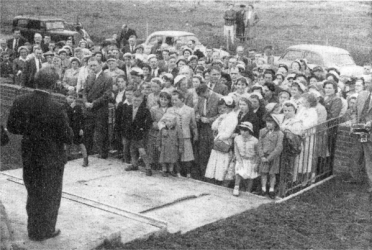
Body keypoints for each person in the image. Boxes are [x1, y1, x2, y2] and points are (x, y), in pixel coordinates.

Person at [7, 67, 73, 241]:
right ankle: (46, 230)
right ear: (53, 84)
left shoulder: (20, 100)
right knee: (50, 195)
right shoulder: (57, 107)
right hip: (51, 157)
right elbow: (67, 136)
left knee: (34, 192)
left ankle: (33, 230)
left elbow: (13, 127)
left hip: (29, 153)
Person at [161, 90, 198, 178]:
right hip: (173, 136)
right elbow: (162, 121)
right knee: (175, 154)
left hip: (186, 135)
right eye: (172, 100)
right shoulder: (170, 110)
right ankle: (177, 172)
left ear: (182, 99)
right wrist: (163, 129)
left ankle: (188, 173)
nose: (174, 102)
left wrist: (196, 134)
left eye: (176, 100)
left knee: (187, 155)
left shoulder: (190, 110)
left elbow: (193, 125)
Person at [83, 57, 113, 159]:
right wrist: (85, 102)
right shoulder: (89, 76)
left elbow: (107, 94)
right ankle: (87, 153)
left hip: (100, 109)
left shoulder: (107, 78)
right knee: (88, 131)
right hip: (89, 109)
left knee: (101, 131)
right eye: (90, 65)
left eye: (94, 65)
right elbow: (84, 91)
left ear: (100, 65)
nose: (92, 67)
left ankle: (104, 153)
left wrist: (94, 103)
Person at [205, 96, 238, 184]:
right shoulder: (224, 116)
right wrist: (219, 119)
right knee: (215, 160)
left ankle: (221, 180)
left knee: (222, 162)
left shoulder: (233, 117)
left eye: (225, 107)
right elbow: (213, 127)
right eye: (222, 107)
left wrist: (218, 138)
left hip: (224, 141)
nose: (223, 109)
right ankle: (214, 179)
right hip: (218, 140)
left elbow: (228, 133)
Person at [121, 91, 153, 175]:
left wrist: (143, 129)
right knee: (132, 149)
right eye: (134, 100)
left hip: (139, 133)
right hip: (129, 132)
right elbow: (124, 120)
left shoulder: (145, 110)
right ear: (132, 99)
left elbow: (149, 122)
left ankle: (148, 167)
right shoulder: (128, 108)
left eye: (138, 100)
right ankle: (134, 164)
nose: (136, 102)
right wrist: (125, 130)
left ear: (142, 100)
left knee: (141, 150)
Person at [347, 85, 372, 193]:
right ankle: (355, 177)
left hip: (369, 130)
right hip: (360, 128)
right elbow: (354, 112)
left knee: (369, 156)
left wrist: (370, 123)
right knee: (356, 153)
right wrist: (354, 123)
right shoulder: (362, 95)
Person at [195, 84, 220, 178]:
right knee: (202, 151)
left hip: (213, 128)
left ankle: (211, 176)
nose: (203, 97)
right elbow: (197, 110)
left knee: (211, 151)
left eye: (204, 95)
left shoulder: (218, 98)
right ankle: (203, 174)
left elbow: (221, 114)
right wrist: (197, 115)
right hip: (202, 128)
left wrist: (209, 120)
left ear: (208, 91)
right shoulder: (201, 98)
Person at [257, 114, 284, 199]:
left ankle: (271, 189)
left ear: (275, 123)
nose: (268, 124)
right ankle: (263, 188)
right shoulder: (262, 131)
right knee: (263, 173)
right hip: (264, 156)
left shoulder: (279, 133)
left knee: (272, 174)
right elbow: (259, 144)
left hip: (273, 157)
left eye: (271, 122)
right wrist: (262, 156)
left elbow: (279, 147)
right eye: (267, 122)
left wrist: (269, 158)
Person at [233, 122, 259, 196]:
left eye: (245, 131)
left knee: (250, 176)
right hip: (241, 159)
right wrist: (239, 160)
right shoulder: (237, 138)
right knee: (239, 172)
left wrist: (256, 163)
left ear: (249, 131)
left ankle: (248, 191)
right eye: (241, 130)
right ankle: (236, 187)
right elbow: (236, 150)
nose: (243, 132)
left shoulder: (255, 141)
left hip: (251, 160)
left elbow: (257, 153)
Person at [147, 91, 172, 171]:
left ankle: (163, 168)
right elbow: (150, 120)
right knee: (152, 150)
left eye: (165, 100)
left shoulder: (171, 110)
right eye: (162, 99)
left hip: (167, 133)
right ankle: (150, 166)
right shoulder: (154, 109)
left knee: (164, 151)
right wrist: (154, 124)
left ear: (169, 101)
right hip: (155, 133)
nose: (163, 101)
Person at [64, 90, 89, 167]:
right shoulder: (64, 107)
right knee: (67, 143)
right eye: (70, 97)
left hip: (76, 128)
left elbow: (82, 119)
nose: (72, 99)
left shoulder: (78, 107)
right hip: (68, 127)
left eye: (73, 98)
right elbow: (65, 116)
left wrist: (81, 129)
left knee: (80, 143)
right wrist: (70, 108)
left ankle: (85, 159)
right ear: (66, 97)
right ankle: (66, 156)